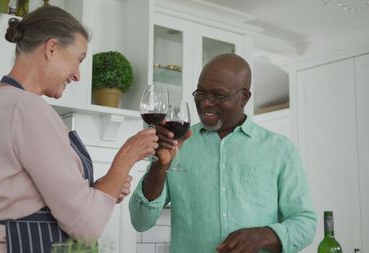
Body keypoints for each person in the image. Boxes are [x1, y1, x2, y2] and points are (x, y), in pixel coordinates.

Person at [0, 6, 158, 253]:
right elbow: (85, 224)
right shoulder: (26, 107)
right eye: (78, 60)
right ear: (51, 48)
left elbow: (34, 198)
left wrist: (103, 187)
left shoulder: (2, 100)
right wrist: (126, 157)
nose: (77, 76)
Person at [129, 53, 317, 253]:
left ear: (244, 97)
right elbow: (141, 221)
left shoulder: (280, 149)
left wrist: (265, 235)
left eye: (219, 95)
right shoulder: (178, 143)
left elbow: (305, 223)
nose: (206, 103)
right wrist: (160, 165)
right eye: (200, 92)